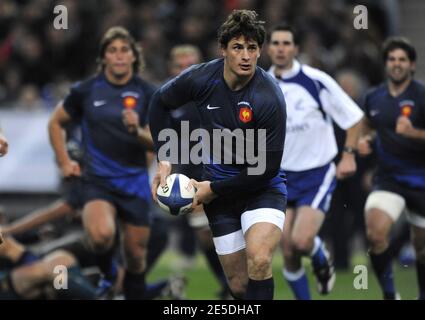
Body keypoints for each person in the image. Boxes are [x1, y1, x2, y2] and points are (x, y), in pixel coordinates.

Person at [150, 10, 287, 300]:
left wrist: (211, 188)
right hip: (220, 196)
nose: (246, 56)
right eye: (238, 47)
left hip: (262, 189)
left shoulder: (269, 96)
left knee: (260, 259)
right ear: (223, 49)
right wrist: (165, 160)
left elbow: (268, 169)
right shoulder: (201, 79)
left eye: (252, 48)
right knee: (238, 286)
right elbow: (158, 103)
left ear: (260, 51)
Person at [48, 26, 155, 299]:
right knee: (100, 236)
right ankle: (108, 276)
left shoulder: (148, 93)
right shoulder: (86, 91)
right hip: (97, 181)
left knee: (135, 258)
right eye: (112, 51)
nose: (119, 56)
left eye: (124, 50)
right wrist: (64, 161)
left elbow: (159, 142)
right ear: (104, 57)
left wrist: (137, 132)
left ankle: (131, 292)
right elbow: (56, 122)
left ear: (134, 56)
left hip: (135, 181)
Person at [266, 24, 364, 299]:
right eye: (276, 43)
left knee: (301, 241)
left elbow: (354, 117)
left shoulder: (316, 80)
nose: (281, 48)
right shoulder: (262, 83)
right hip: (280, 176)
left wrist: (348, 155)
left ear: (296, 49)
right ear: (269, 49)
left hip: (316, 172)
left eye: (287, 43)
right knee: (286, 248)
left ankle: (319, 255)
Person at [358, 37, 425, 300]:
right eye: (392, 59)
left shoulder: (422, 96)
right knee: (375, 233)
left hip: (421, 180)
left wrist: (414, 133)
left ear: (412, 65)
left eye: (402, 60)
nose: (396, 64)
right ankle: (389, 295)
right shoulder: (374, 97)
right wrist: (364, 140)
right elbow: (367, 124)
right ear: (386, 64)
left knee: (421, 249)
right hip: (388, 179)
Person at [167, 44, 230, 298]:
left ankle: (239, 283)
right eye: (180, 67)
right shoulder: (168, 101)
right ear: (172, 70)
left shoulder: (219, 92)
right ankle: (227, 285)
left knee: (231, 232)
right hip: (192, 173)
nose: (186, 71)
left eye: (191, 66)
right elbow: (165, 140)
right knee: (206, 236)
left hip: (226, 171)